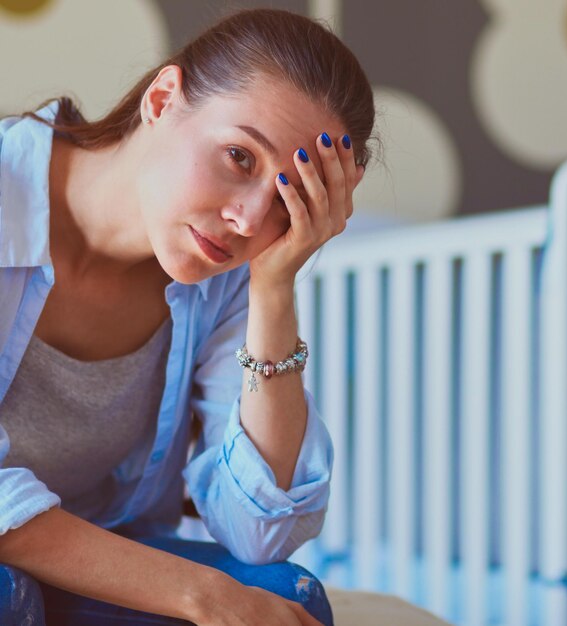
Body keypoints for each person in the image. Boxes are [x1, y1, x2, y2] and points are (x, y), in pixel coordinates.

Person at [0, 7, 375, 625]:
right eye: (239, 156)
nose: (250, 223)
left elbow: (260, 533)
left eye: (288, 203)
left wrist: (273, 287)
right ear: (163, 98)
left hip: (91, 560)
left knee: (289, 597)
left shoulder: (226, 278)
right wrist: (199, 593)